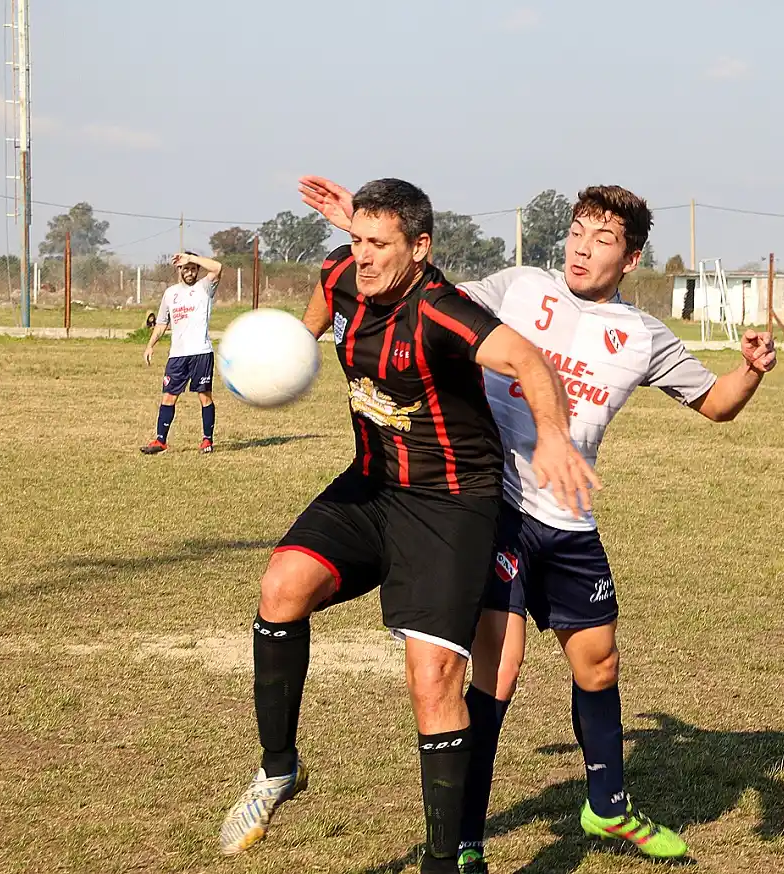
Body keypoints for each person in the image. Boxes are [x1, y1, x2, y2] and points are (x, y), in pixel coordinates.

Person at [300, 177, 777, 872]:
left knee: (599, 660)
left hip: (570, 521)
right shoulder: (519, 288)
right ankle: (463, 839)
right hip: (492, 505)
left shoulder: (642, 337)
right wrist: (371, 236)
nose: (583, 248)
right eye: (579, 232)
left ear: (632, 259)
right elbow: (435, 295)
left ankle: (607, 807)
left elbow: (716, 404)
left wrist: (751, 371)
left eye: (603, 239)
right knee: (498, 671)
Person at [218, 178, 599, 874]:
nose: (361, 257)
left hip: (450, 505)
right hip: (372, 483)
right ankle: (279, 769)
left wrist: (551, 436)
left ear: (420, 249)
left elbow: (527, 359)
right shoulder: (339, 273)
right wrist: (274, 358)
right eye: (357, 240)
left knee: (432, 683)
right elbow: (302, 337)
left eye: (379, 244)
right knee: (281, 588)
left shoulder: (440, 311)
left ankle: (439, 860)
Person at [141, 251, 224, 454]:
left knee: (204, 396)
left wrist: (192, 258)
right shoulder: (170, 293)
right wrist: (150, 345)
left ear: (197, 270)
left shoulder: (205, 287)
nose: (189, 272)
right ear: (179, 270)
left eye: (193, 269)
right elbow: (161, 323)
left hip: (201, 353)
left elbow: (218, 267)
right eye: (186, 269)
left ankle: (207, 440)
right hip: (177, 356)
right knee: (168, 397)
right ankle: (160, 441)